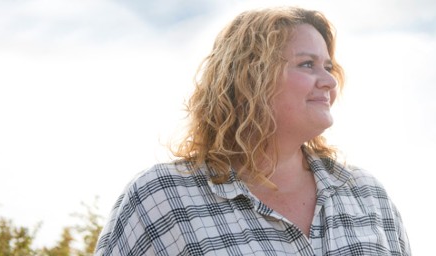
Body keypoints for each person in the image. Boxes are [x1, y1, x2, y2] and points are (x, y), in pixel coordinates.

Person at [95, 6, 410, 256]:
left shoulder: (367, 195)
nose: (329, 81)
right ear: (251, 77)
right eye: (307, 65)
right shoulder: (163, 197)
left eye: (328, 67)